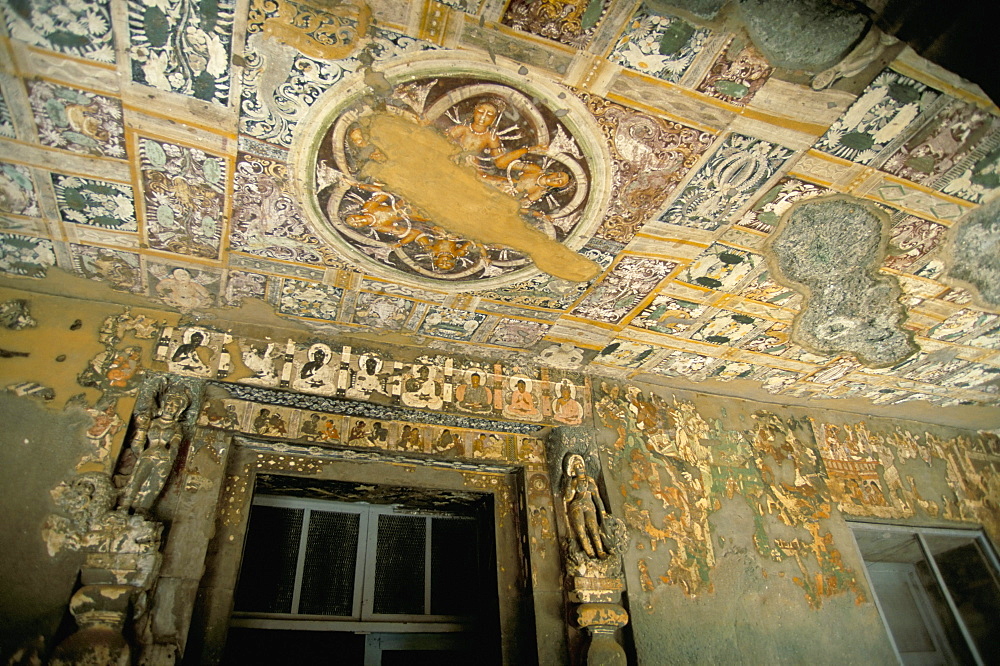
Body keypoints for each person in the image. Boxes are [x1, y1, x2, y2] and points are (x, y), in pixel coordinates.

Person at [119, 385, 189, 515]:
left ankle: (143, 509)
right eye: (169, 403)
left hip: (164, 458)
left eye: (175, 405)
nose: (170, 407)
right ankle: (125, 505)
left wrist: (171, 455)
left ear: (179, 410)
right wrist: (141, 429)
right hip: (148, 454)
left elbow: (175, 443)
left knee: (155, 486)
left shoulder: (176, 426)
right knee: (137, 480)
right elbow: (138, 443)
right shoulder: (153, 422)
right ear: (163, 404)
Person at [562, 453, 608, 559]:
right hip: (577, 505)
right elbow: (568, 498)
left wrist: (603, 512)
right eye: (577, 467)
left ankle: (600, 551)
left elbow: (598, 498)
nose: (580, 468)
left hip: (589, 505)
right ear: (573, 470)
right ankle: (589, 552)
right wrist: (568, 483)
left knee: (593, 527)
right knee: (580, 528)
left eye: (581, 466)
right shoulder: (574, 482)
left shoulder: (591, 481)